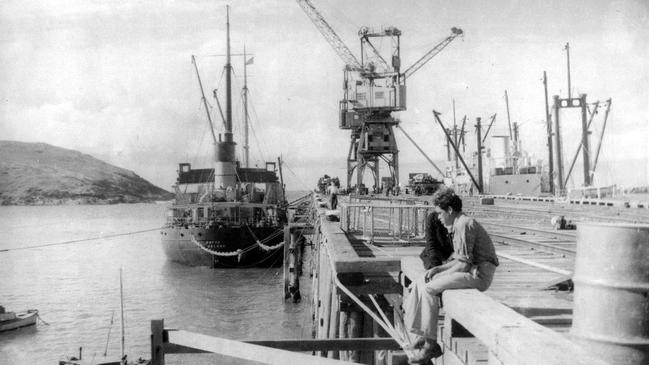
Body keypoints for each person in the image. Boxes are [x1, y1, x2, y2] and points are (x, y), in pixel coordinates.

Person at [404, 188, 499, 363]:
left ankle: (430, 345)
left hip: (479, 276)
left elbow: (463, 265)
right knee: (420, 281)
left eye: (440, 213)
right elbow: (459, 260)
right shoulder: (457, 224)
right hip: (470, 270)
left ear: (449, 210)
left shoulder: (463, 224)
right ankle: (421, 334)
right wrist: (437, 270)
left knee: (429, 288)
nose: (438, 218)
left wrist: (439, 275)